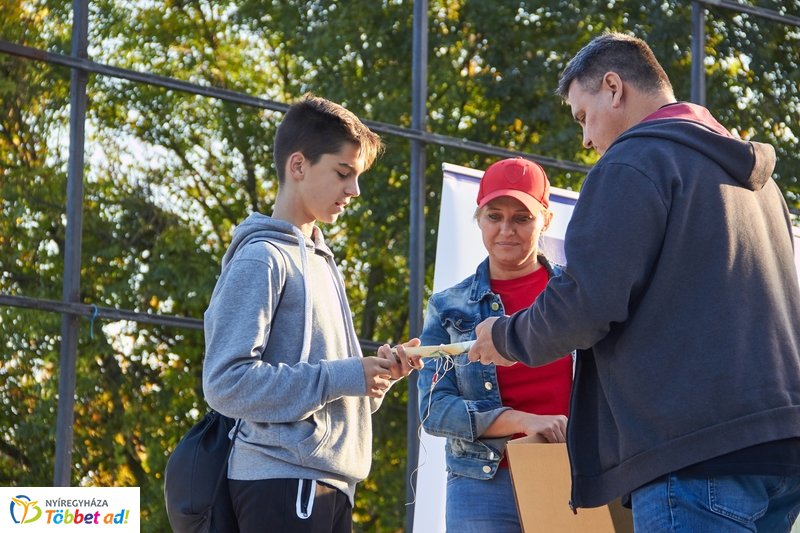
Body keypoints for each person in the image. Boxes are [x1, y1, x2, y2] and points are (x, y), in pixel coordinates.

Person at [468, 32, 800, 532]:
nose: (585, 139)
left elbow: (586, 302)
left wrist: (506, 337)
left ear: (613, 87)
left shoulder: (633, 162)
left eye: (583, 116)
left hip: (691, 454)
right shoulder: (760, 185)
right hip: (780, 451)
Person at [202, 94, 421, 533]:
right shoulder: (262, 258)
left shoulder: (321, 260)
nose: (354, 190)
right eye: (343, 173)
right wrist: (343, 375)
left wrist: (371, 380)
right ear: (297, 166)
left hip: (327, 482)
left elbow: (324, 391)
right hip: (283, 480)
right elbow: (225, 383)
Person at [415, 157, 572, 533]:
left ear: (546, 220)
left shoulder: (576, 296)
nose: (506, 229)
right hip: (482, 483)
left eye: (522, 218)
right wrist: (521, 421)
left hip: (573, 474)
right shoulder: (447, 306)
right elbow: (435, 410)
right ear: (478, 218)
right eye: (494, 216)